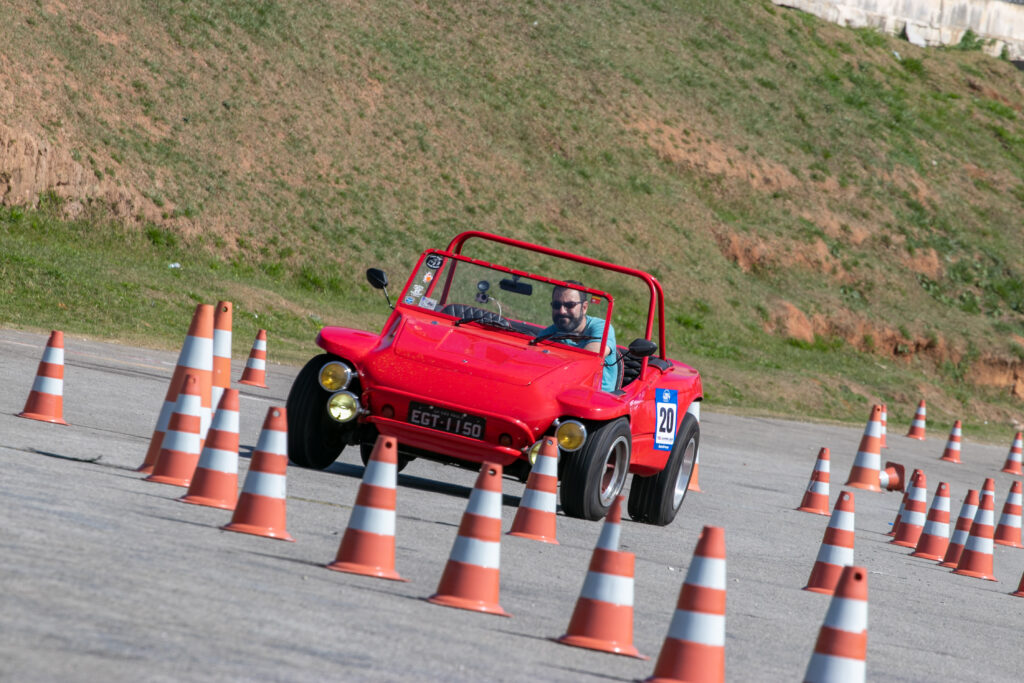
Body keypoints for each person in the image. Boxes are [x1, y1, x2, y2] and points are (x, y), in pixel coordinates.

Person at [543, 281, 618, 392]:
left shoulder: (601, 327)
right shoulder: (547, 335)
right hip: (558, 392)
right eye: (556, 305)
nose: (562, 311)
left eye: (569, 305)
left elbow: (589, 360)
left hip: (597, 399)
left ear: (584, 307)